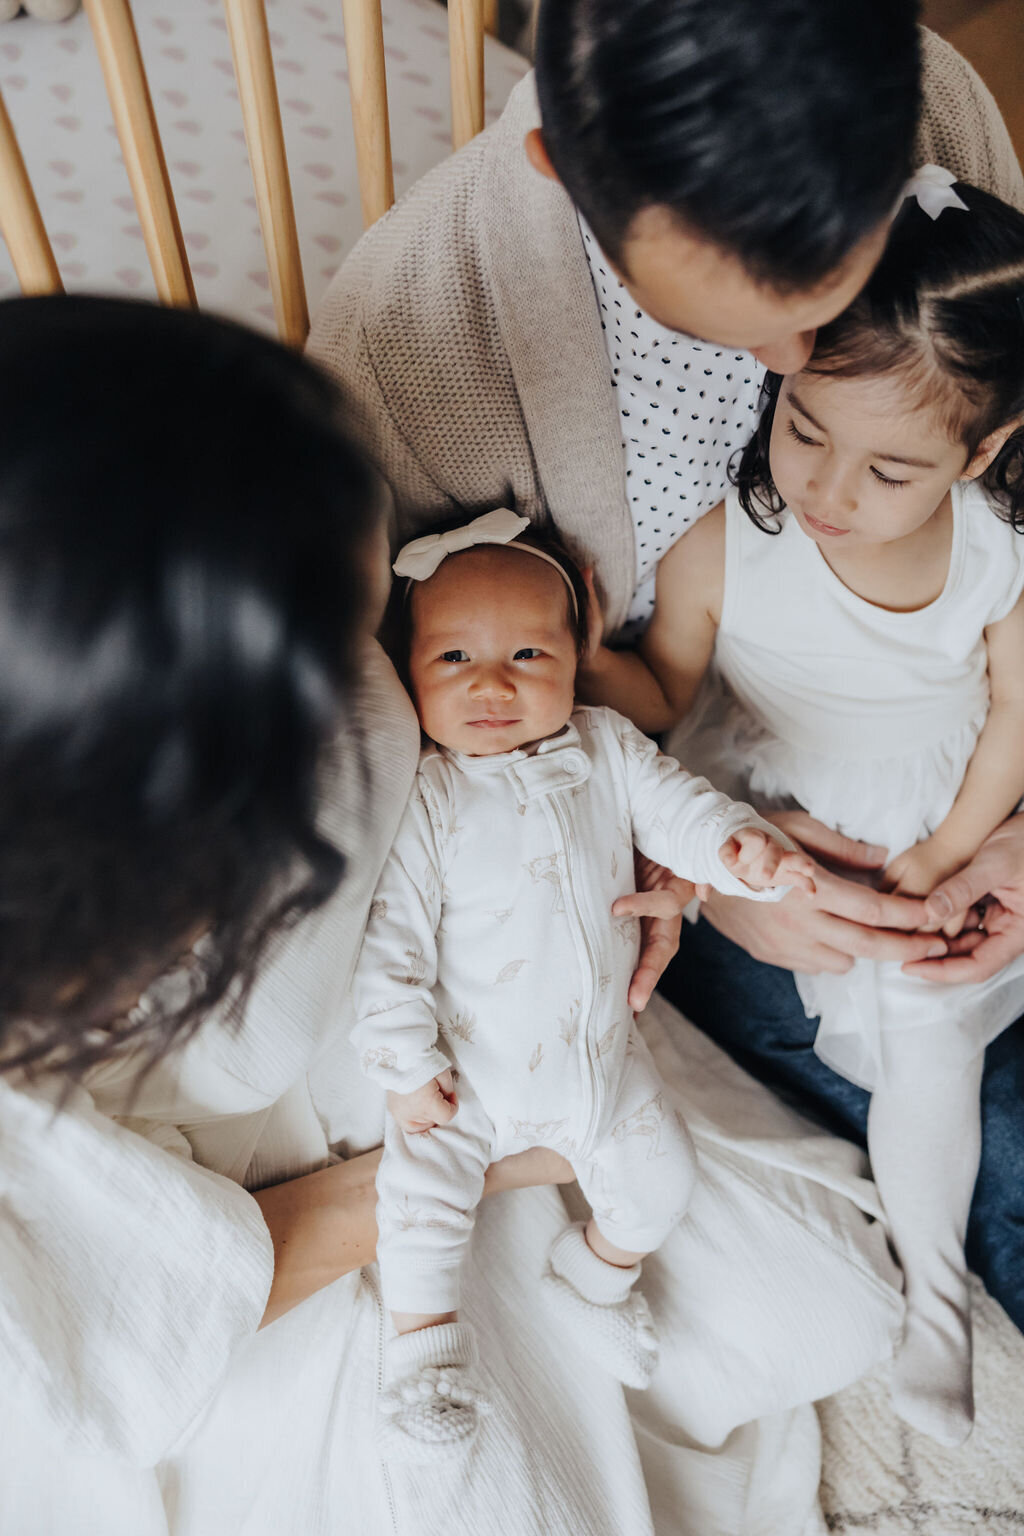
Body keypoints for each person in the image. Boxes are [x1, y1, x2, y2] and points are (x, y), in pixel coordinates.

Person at [0, 294, 907, 1536]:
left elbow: (519, 771)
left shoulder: (336, 684)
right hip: (293, 1215)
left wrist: (654, 870)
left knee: (820, 1302)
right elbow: (133, 1312)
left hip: (472, 1015)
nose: (368, 659)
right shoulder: (85, 1003)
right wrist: (505, 1140)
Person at [306, 0, 1024, 1328]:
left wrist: (1012, 832)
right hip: (657, 827)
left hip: (949, 758)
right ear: (567, 181)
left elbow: (1000, 467)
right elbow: (424, 749)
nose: (791, 369)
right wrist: (703, 868)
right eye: (743, 321)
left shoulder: (933, 116)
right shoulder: (413, 350)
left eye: (830, 292)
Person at [578, 175, 1024, 1444]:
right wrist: (572, 652)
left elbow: (1012, 722)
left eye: (890, 469)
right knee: (880, 997)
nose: (828, 488)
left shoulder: (992, 552)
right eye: (806, 428)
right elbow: (663, 688)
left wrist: (944, 855)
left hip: (939, 806)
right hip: (775, 791)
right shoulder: (727, 543)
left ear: (980, 454)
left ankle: (936, 1299)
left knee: (932, 1017)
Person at [351, 512, 810, 1458]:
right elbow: (388, 939)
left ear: (577, 656)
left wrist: (736, 850)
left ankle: (593, 1277)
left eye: (526, 652)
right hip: (466, 1083)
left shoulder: (606, 747)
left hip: (602, 1065)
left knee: (661, 1181)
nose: (492, 683)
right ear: (407, 672)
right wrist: (404, 1063)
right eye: (452, 661)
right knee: (420, 1206)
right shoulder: (431, 796)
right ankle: (424, 1361)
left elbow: (680, 813)